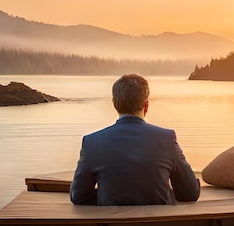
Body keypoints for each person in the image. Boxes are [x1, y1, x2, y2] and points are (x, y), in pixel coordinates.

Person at [70, 74, 201, 205]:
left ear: (115, 104)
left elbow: (79, 196)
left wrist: (106, 195)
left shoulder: (92, 142)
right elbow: (190, 192)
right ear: (146, 105)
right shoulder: (167, 139)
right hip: (158, 224)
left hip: (113, 224)